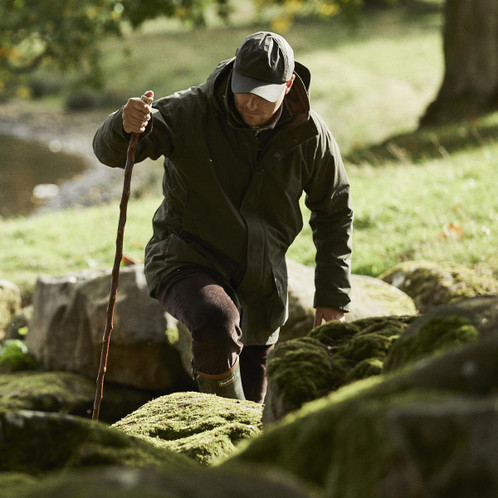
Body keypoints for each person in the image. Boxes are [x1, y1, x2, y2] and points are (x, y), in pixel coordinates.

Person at [93, 31, 353, 404]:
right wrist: (122, 124)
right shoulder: (189, 111)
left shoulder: (311, 137)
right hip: (184, 259)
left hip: (261, 286)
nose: (249, 102)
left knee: (252, 409)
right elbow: (113, 152)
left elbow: (334, 214)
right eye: (243, 88)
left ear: (289, 84)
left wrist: (332, 297)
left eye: (263, 94)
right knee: (216, 320)